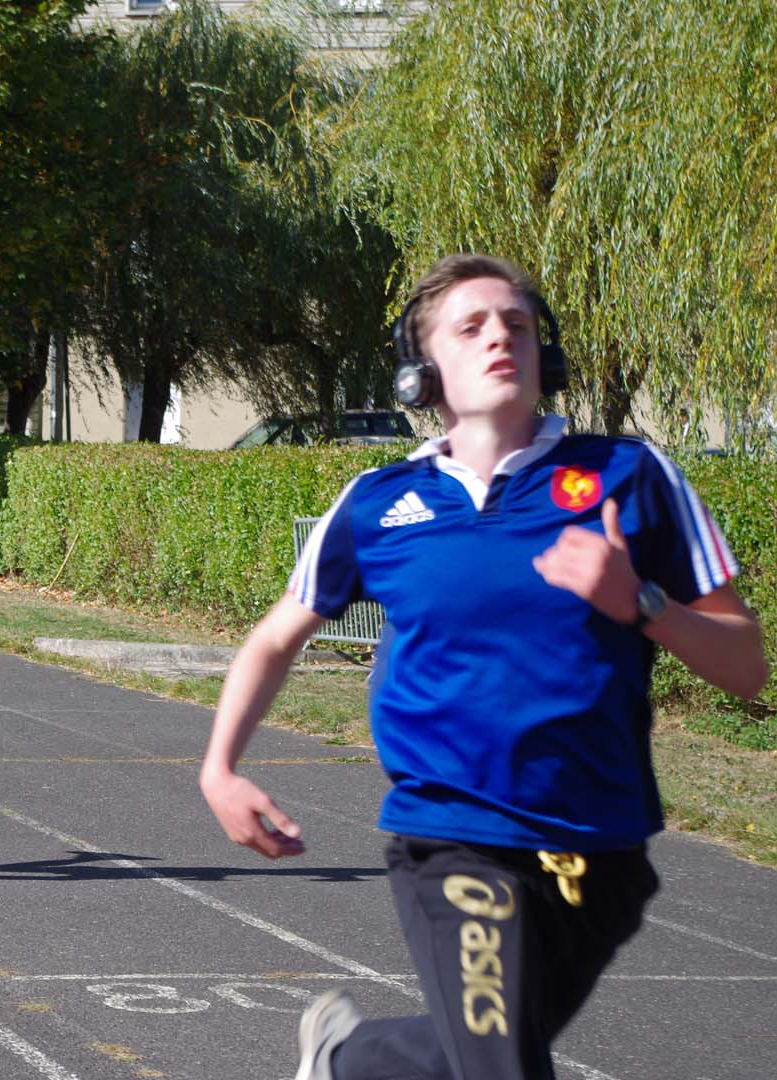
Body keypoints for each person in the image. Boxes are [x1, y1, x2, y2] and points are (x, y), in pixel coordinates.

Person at [197, 254, 767, 1080]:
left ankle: (347, 1057)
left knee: (478, 1055)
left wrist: (638, 601)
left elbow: (745, 665)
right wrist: (220, 770)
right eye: (471, 327)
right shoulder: (378, 502)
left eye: (518, 325)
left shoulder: (631, 477)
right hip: (454, 838)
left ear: (548, 356)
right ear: (421, 372)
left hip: (601, 849)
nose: (500, 337)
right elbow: (273, 640)